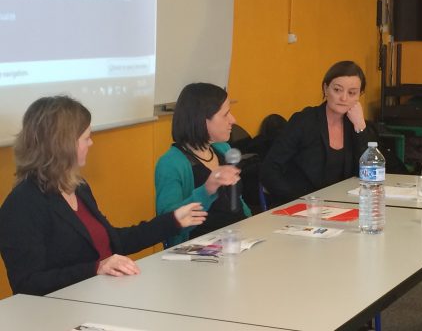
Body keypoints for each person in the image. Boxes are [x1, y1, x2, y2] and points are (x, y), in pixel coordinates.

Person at [0, 96, 206, 296]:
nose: (91, 143)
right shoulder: (22, 205)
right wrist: (95, 268)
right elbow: (27, 284)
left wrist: (173, 221)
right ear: (62, 144)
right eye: (86, 138)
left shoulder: (78, 187)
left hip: (101, 296)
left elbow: (113, 241)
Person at [260, 61, 377, 206]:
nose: (344, 98)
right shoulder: (304, 121)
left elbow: (371, 175)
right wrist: (299, 201)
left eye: (352, 93)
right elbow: (269, 170)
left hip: (342, 206)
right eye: (337, 90)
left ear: (360, 95)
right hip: (301, 205)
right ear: (326, 88)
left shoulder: (354, 124)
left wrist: (360, 127)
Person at [155, 83, 252, 247]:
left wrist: (252, 224)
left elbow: (237, 201)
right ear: (202, 120)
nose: (233, 120)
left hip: (237, 241)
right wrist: (207, 190)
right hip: (199, 252)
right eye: (225, 114)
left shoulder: (223, 149)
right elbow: (168, 223)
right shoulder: (171, 164)